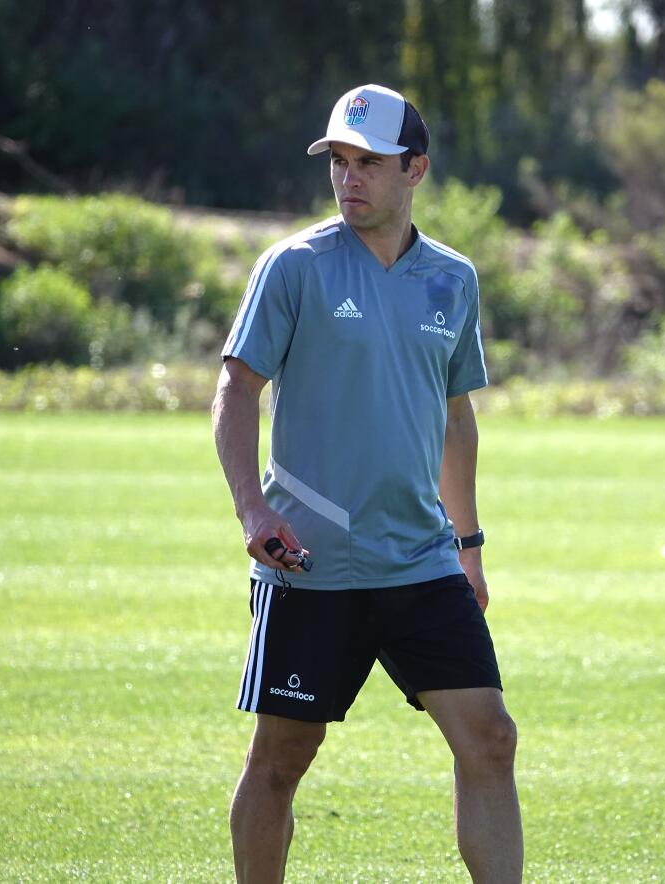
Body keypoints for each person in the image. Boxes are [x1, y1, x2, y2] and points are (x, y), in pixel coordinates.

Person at [211, 84, 523, 883]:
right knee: (283, 757)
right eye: (339, 163)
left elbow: (457, 418)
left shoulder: (453, 280)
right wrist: (251, 511)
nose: (349, 179)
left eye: (369, 164)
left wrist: (470, 546)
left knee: (489, 737)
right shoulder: (294, 267)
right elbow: (236, 389)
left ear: (415, 169)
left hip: (421, 561)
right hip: (309, 563)